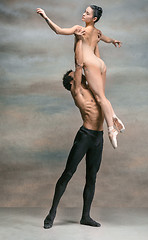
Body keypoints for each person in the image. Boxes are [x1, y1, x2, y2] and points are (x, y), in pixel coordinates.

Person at [36, 5, 125, 149]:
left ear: (94, 18)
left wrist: (46, 17)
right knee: (102, 97)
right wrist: (114, 40)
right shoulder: (97, 32)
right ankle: (113, 118)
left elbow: (58, 30)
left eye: (87, 13)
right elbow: (106, 38)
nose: (83, 14)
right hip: (101, 63)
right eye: (85, 11)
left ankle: (111, 130)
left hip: (90, 64)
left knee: (100, 98)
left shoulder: (79, 29)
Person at [43, 35, 105, 229]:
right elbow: (79, 63)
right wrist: (78, 40)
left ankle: (85, 216)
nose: (82, 76)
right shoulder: (76, 91)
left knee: (92, 177)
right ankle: (52, 213)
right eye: (76, 76)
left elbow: (96, 65)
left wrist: (96, 42)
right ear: (71, 83)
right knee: (68, 173)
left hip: (99, 137)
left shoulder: (93, 89)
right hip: (85, 137)